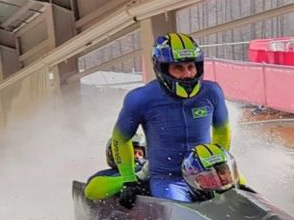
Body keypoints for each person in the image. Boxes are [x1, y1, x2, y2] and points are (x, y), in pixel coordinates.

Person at [87, 33, 230, 206]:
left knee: (241, 196)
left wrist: (219, 166)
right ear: (162, 69)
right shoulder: (140, 98)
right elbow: (120, 138)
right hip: (169, 180)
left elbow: (222, 130)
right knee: (179, 209)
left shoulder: (212, 92)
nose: (187, 74)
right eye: (178, 68)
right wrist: (129, 180)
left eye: (191, 67)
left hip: (207, 176)